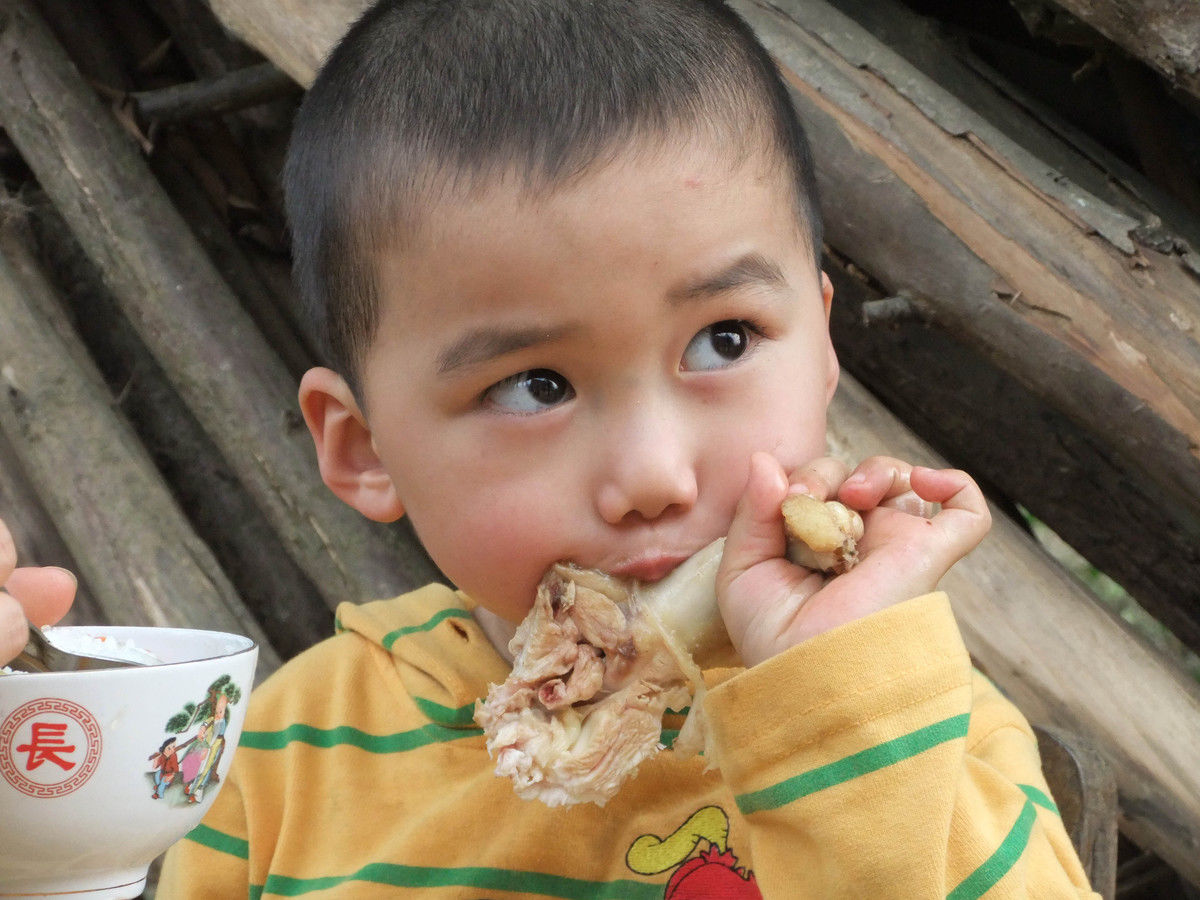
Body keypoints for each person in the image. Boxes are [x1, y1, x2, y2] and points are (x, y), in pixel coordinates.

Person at [1, 0, 1098, 896]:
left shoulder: (904, 727)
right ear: (364, 446)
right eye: (535, 385)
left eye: (725, 340)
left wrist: (836, 716)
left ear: (820, 352)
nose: (656, 476)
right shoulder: (288, 756)